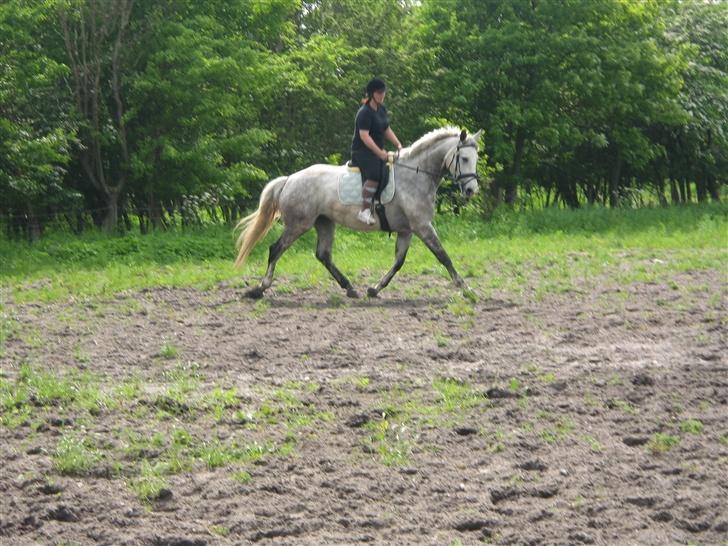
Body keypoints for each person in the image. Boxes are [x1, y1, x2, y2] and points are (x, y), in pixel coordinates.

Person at [350, 78, 402, 224]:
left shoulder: (381, 110)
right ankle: (364, 210)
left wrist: (398, 144)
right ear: (372, 94)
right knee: (374, 173)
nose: (382, 95)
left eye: (383, 92)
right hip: (362, 151)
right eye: (379, 92)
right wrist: (380, 153)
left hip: (376, 150)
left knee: (387, 170)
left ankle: (378, 204)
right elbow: (364, 136)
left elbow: (386, 129)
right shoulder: (364, 113)